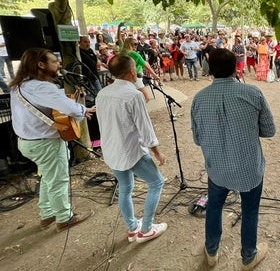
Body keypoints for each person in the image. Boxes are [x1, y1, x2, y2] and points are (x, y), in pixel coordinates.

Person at [191, 49, 276, 270]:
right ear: (235, 67)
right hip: (249, 169)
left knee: (214, 207)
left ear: (209, 70)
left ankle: (211, 251)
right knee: (250, 211)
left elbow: (198, 139)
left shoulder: (199, 99)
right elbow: (269, 130)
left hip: (217, 169)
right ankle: (248, 257)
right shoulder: (252, 93)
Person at [9, 48, 95, 231]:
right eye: (54, 61)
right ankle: (64, 218)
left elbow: (51, 106)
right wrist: (82, 109)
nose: (59, 64)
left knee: (48, 177)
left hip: (27, 141)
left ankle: (47, 214)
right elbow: (68, 108)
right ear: (41, 65)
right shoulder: (42, 87)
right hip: (45, 142)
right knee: (58, 180)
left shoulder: (20, 85)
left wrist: (74, 103)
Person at [96, 54, 167, 243]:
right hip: (131, 151)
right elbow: (145, 128)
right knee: (157, 183)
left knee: (125, 188)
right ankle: (146, 228)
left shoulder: (102, 93)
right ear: (132, 72)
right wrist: (157, 152)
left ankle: (132, 228)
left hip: (112, 150)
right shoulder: (134, 95)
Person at [121, 37, 160, 102]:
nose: (137, 45)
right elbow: (147, 66)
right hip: (136, 77)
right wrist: (155, 76)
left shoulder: (122, 52)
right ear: (130, 44)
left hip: (125, 77)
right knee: (146, 98)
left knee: (131, 97)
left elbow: (120, 40)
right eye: (135, 44)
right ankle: (138, 110)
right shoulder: (135, 54)